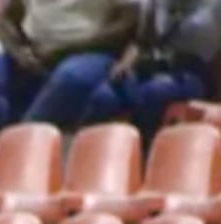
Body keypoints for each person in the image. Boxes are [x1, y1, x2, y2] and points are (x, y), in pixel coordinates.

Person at [0, 0, 142, 141]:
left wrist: (64, 51)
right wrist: (18, 51)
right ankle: (2, 150)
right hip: (35, 51)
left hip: (92, 51)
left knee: (72, 76)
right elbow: (7, 19)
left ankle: (21, 147)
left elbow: (127, 25)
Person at [85, 0, 221, 142]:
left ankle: (142, 155)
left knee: (153, 93)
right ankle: (89, 153)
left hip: (190, 71)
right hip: (150, 64)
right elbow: (141, 42)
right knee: (105, 97)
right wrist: (125, 65)